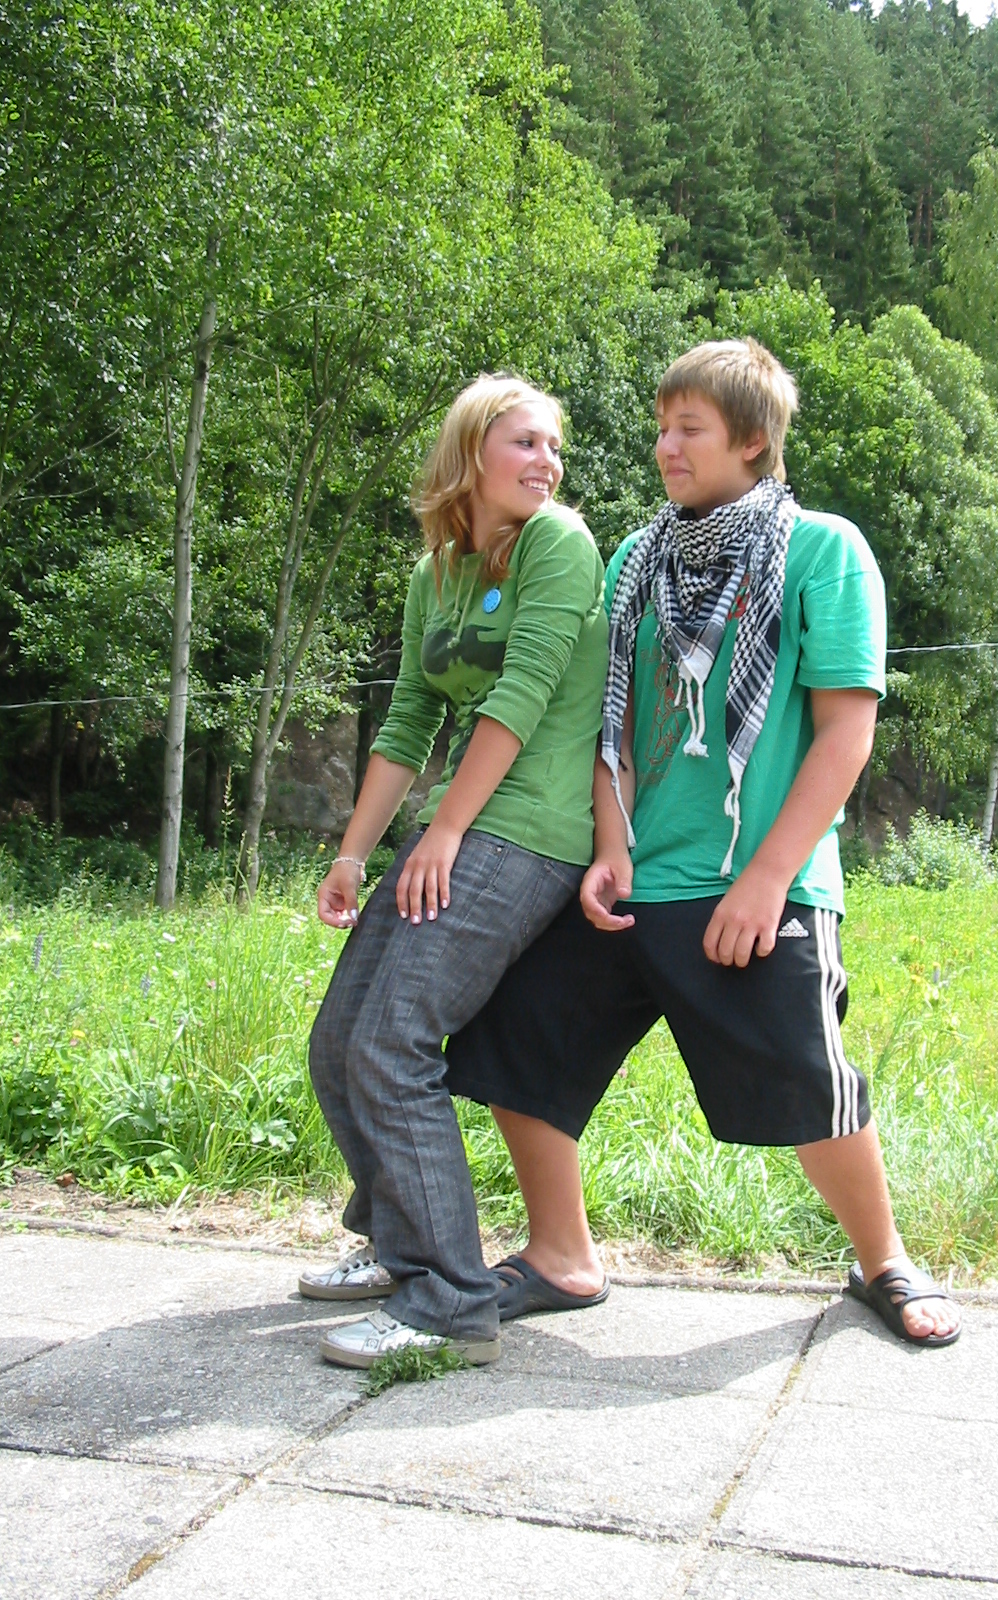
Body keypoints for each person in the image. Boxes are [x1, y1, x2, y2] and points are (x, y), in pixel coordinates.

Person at [446, 338, 961, 1347]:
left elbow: (846, 735)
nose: (665, 447)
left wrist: (767, 879)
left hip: (759, 883)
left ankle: (883, 1262)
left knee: (809, 1082)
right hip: (637, 877)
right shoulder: (637, 561)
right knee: (514, 1038)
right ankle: (562, 1256)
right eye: (662, 427)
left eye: (690, 429)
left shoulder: (823, 551)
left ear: (753, 440)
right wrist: (610, 846)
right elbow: (611, 721)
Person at [304, 373, 611, 1371]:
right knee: (339, 1041)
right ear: (471, 450)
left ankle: (449, 1300)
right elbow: (408, 719)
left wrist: (442, 834)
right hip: (460, 826)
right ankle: (399, 1248)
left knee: (391, 1042)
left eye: (553, 445)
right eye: (525, 442)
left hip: (530, 833)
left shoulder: (558, 543)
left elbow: (521, 696)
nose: (546, 462)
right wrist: (355, 852)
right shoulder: (436, 572)